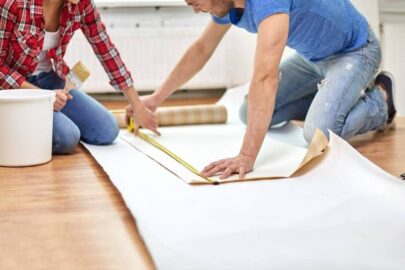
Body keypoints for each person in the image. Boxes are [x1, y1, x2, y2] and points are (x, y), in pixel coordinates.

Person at [141, 0, 397, 179]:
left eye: (196, 3)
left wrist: (246, 156)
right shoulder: (225, 6)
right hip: (313, 59)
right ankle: (332, 97)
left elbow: (265, 77)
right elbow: (201, 50)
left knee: (317, 135)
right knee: (246, 113)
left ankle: (380, 103)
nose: (198, 11)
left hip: (355, 52)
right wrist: (155, 99)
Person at [0, 0, 159, 154]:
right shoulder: (13, 3)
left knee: (106, 130)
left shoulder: (82, 4)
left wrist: (137, 105)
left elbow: (106, 50)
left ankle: (31, 125)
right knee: (67, 138)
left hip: (47, 79)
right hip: (12, 89)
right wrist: (43, 97)